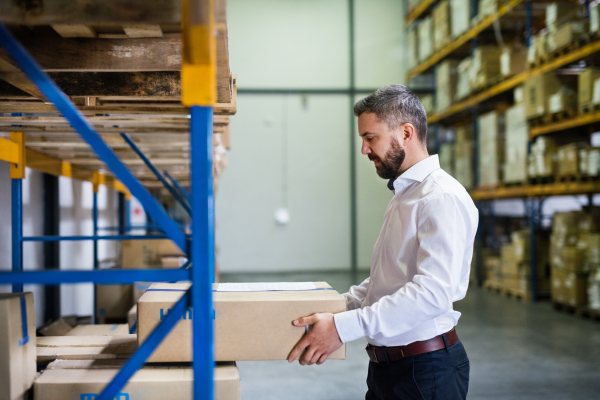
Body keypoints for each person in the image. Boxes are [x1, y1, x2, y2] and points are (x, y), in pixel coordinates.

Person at [287, 84, 479, 400]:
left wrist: (341, 328)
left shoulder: (440, 198)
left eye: (370, 138)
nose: (364, 150)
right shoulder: (406, 194)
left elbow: (432, 293)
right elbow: (388, 280)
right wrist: (339, 308)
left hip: (424, 372)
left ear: (406, 133)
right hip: (388, 368)